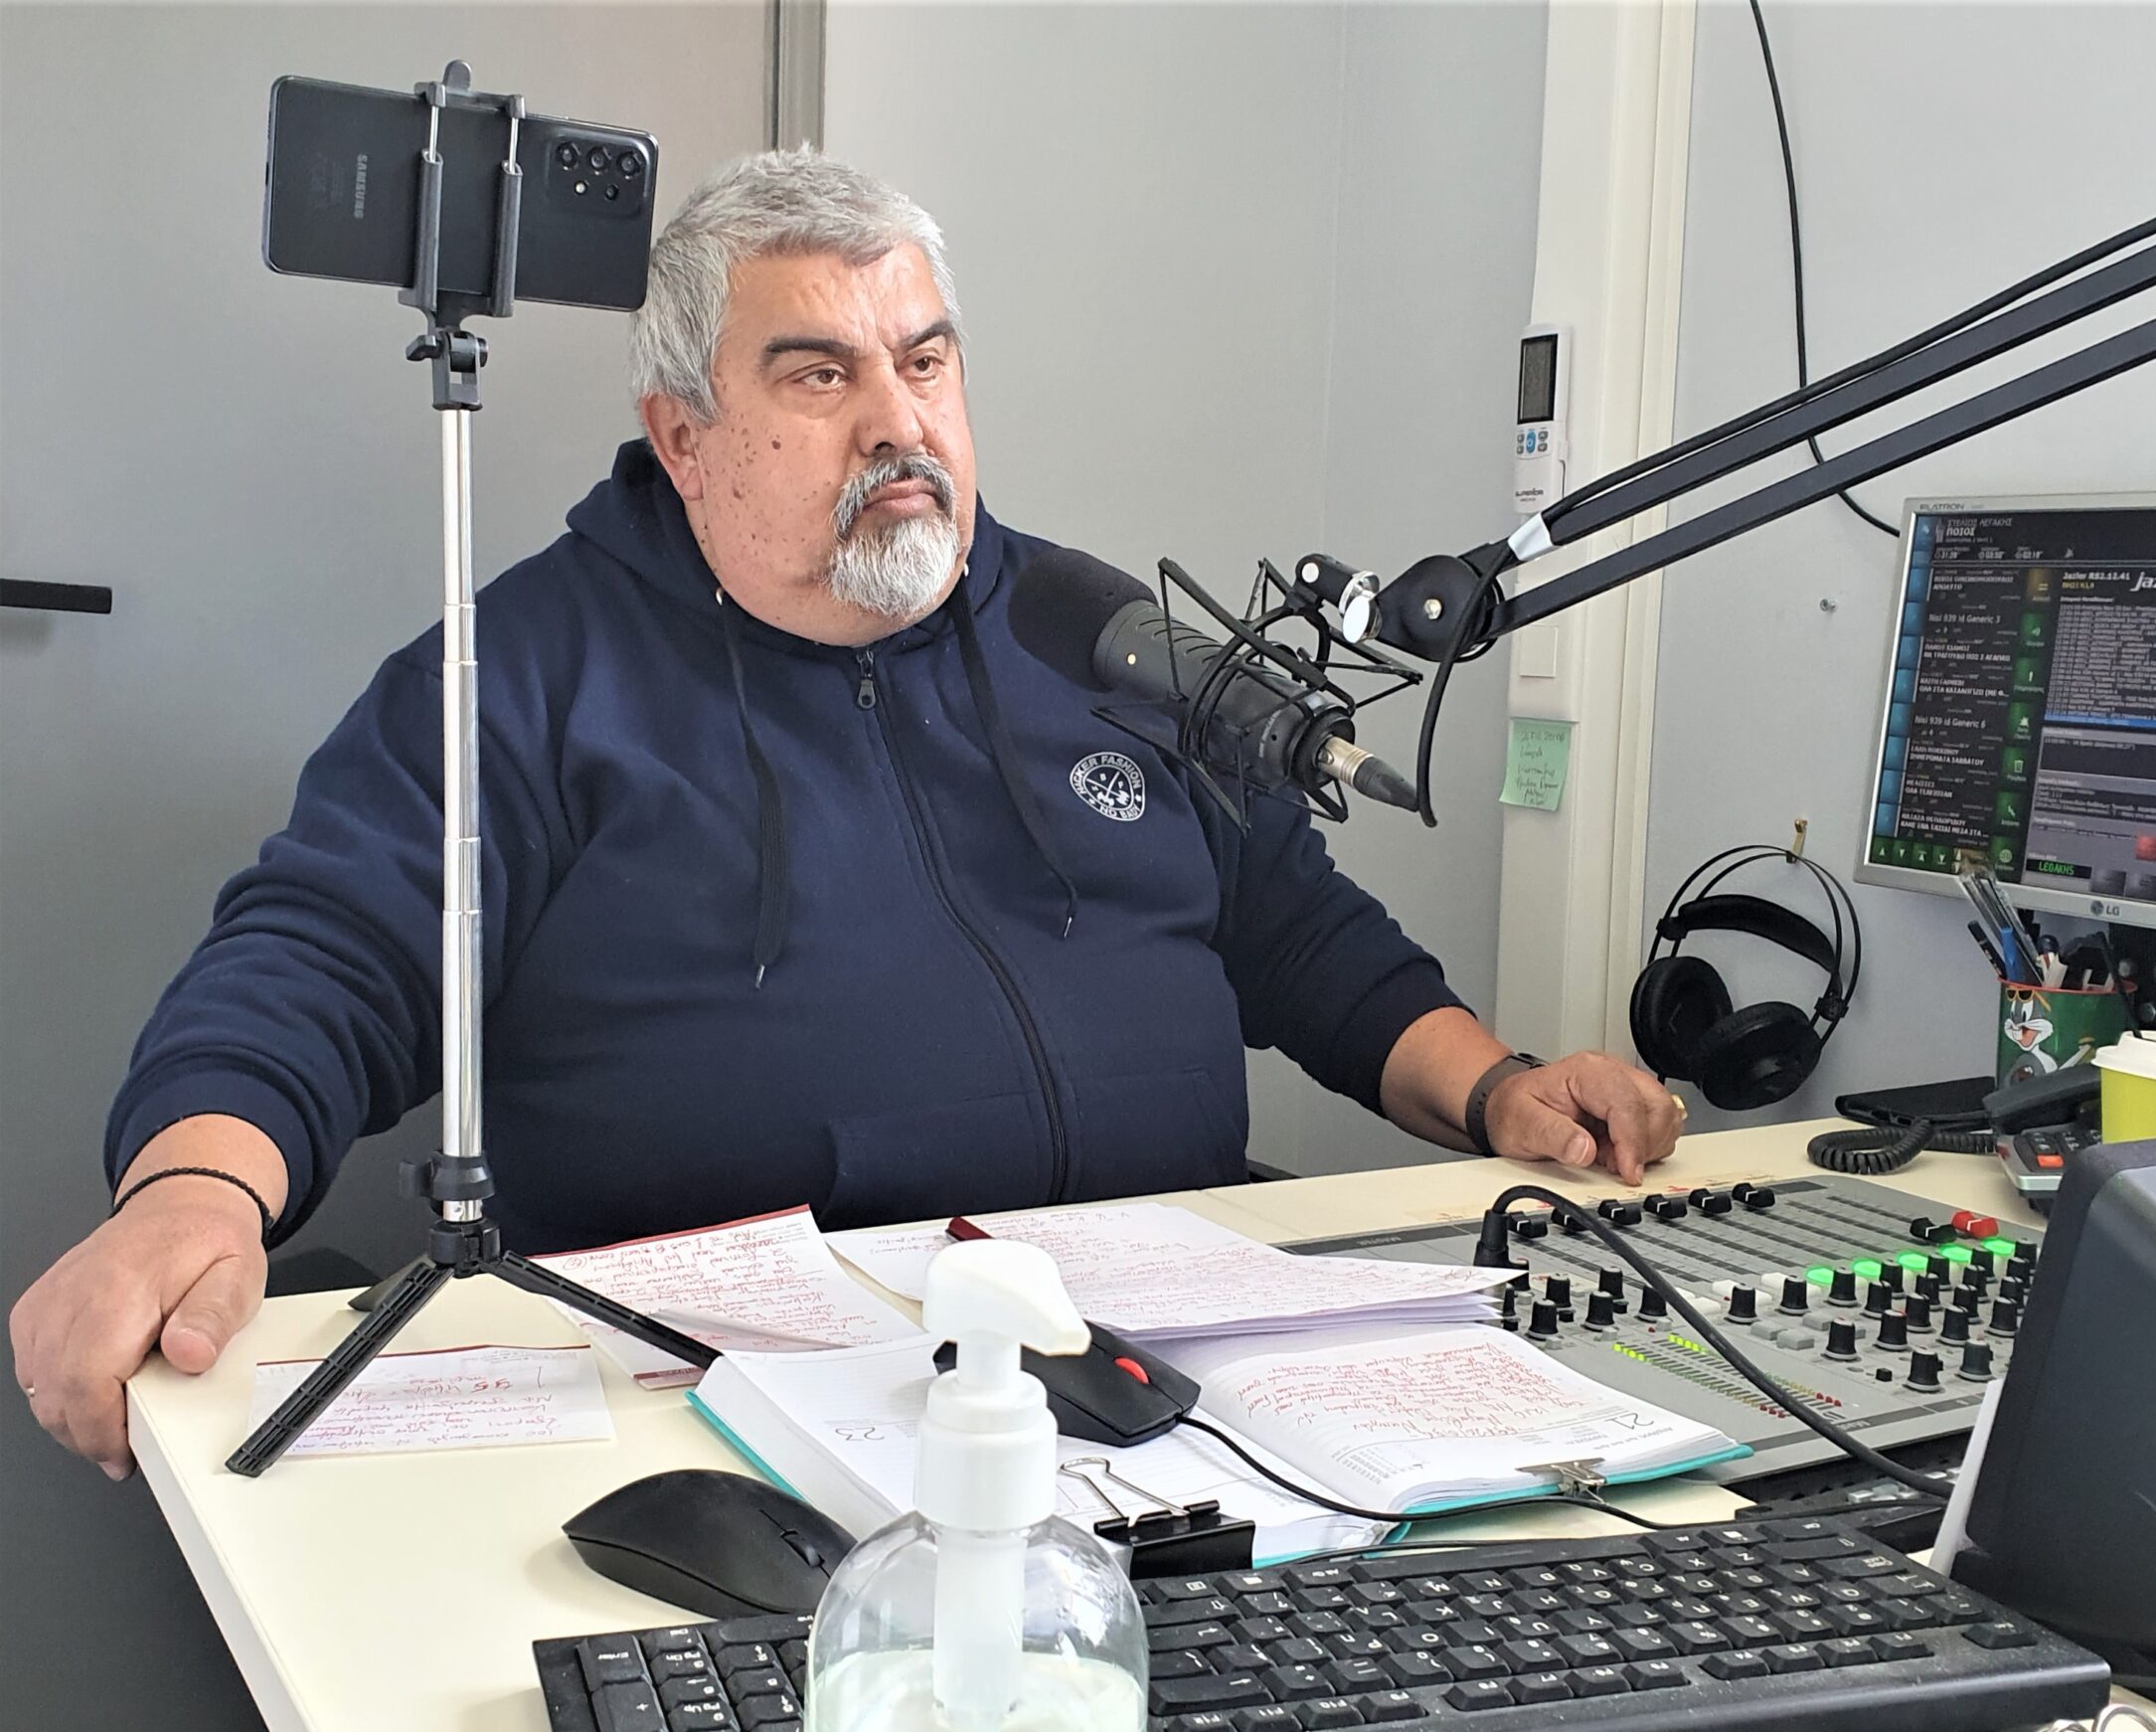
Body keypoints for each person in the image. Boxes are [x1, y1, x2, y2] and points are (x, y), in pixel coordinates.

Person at [11, 151, 1681, 1476]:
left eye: (924, 359)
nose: (900, 421)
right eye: (820, 374)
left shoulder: (1094, 634)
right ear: (684, 436)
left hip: (1157, 1365)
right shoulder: (524, 675)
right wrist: (194, 1193)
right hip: (733, 1410)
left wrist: (1498, 1089)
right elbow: (323, 959)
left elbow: (1298, 934)